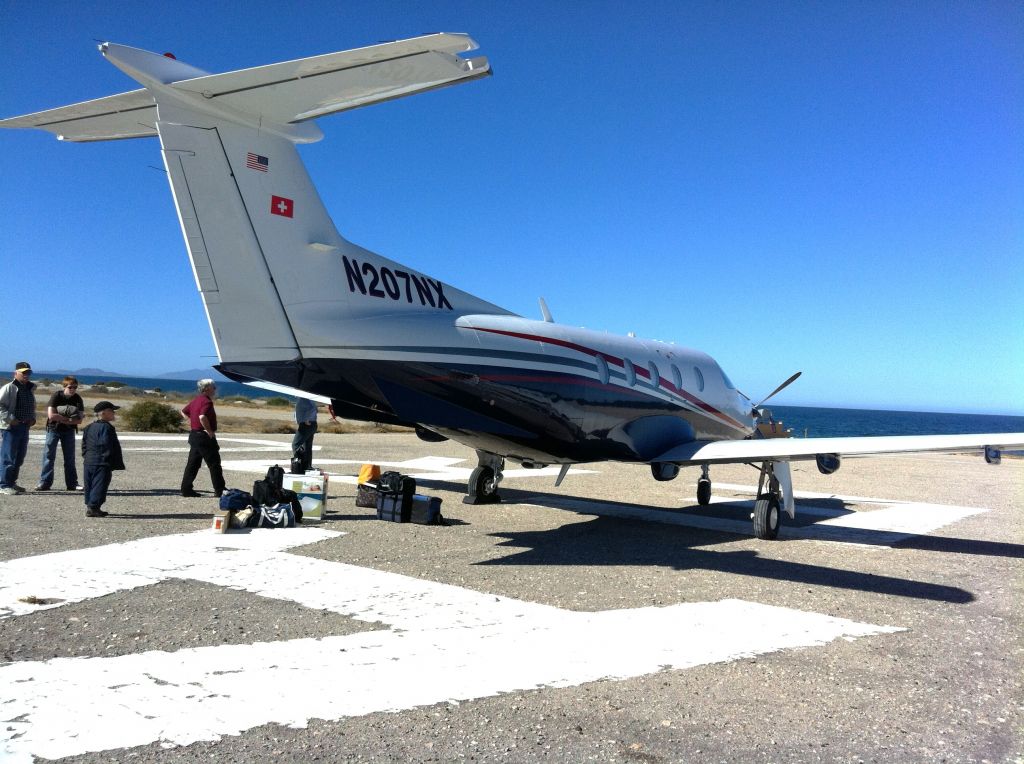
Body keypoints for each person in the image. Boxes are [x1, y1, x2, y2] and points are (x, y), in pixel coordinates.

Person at [36, 375, 85, 491]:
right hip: (53, 429)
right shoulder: (57, 396)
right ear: (64, 386)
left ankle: (72, 483)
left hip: (69, 431)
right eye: (70, 387)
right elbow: (51, 416)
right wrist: (69, 419)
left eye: (75, 387)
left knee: (69, 458)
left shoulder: (78, 398)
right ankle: (44, 483)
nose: (72, 389)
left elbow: (80, 419)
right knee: (48, 456)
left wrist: (62, 418)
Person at [180, 378, 225, 497]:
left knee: (193, 463)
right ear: (206, 389)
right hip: (204, 436)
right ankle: (220, 490)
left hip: (194, 435)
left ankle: (186, 489)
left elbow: (183, 411)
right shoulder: (206, 402)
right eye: (213, 387)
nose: (215, 389)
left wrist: (191, 420)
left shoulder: (196, 400)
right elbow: (202, 416)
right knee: (214, 463)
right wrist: (209, 431)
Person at [81, 401, 125, 517]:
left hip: (89, 461)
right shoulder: (107, 427)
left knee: (90, 484)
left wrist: (86, 456)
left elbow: (84, 444)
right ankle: (93, 507)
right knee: (100, 484)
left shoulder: (89, 427)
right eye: (112, 411)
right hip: (101, 461)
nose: (114, 413)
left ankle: (91, 505)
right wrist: (108, 458)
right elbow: (105, 443)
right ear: (104, 413)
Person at [0, 362, 37, 495]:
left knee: (19, 457)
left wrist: (33, 417)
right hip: (11, 427)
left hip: (25, 425)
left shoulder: (30, 388)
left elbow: (32, 405)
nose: (26, 375)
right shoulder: (9, 388)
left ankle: (12, 482)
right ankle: (3, 484)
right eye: (24, 372)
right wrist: (10, 419)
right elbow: (1, 405)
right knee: (8, 456)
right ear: (15, 373)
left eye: (28, 373)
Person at [292, 397, 318, 472]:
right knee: (307, 447)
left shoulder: (304, 398)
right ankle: (307, 466)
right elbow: (315, 409)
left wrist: (306, 419)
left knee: (296, 445)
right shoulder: (308, 398)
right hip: (312, 424)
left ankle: (299, 465)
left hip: (307, 424)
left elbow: (311, 409)